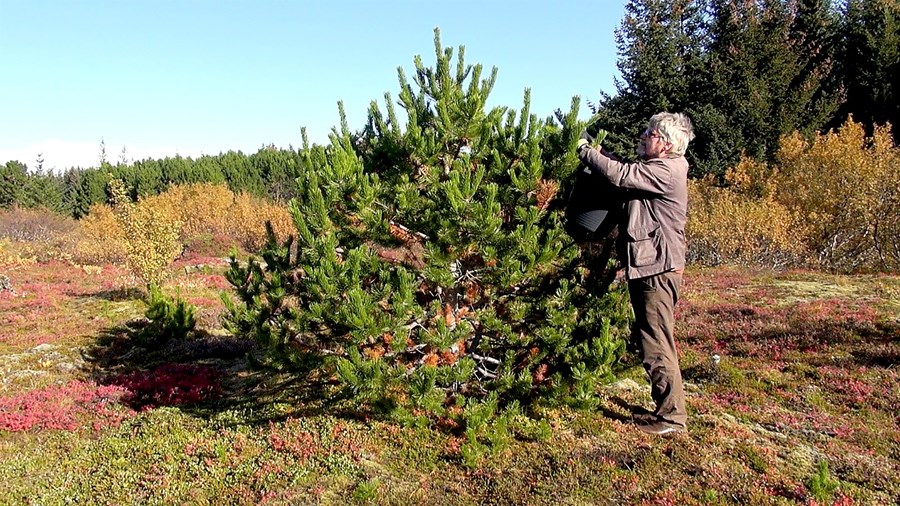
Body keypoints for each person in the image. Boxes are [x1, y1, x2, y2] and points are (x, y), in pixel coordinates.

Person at [576, 112, 695, 435]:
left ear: (667, 144)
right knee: (653, 337)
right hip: (653, 265)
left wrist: (585, 150)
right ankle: (668, 410)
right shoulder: (660, 168)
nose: (644, 136)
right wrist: (601, 155)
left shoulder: (668, 170)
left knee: (656, 341)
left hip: (657, 268)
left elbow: (622, 175)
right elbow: (625, 171)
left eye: (651, 133)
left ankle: (671, 418)